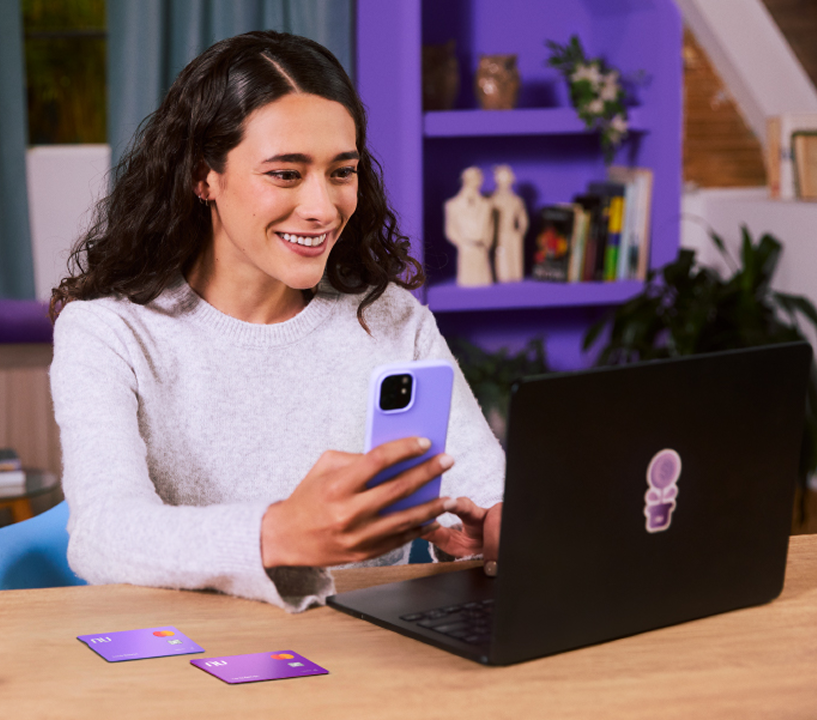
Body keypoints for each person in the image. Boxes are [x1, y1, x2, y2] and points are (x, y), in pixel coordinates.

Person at [49, 31, 504, 612]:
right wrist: (281, 533)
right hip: (188, 650)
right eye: (286, 174)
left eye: (341, 172)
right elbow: (103, 534)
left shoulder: (389, 317)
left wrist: (492, 528)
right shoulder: (109, 332)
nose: (322, 207)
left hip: (368, 650)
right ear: (203, 176)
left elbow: (488, 490)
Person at [443, 166, 495, 287]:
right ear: (465, 180)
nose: (476, 181)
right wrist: (464, 244)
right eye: (472, 178)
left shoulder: (486, 204)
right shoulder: (453, 205)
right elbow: (450, 230)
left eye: (478, 178)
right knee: (468, 284)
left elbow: (490, 227)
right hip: (466, 250)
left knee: (483, 284)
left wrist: (486, 244)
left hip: (482, 250)